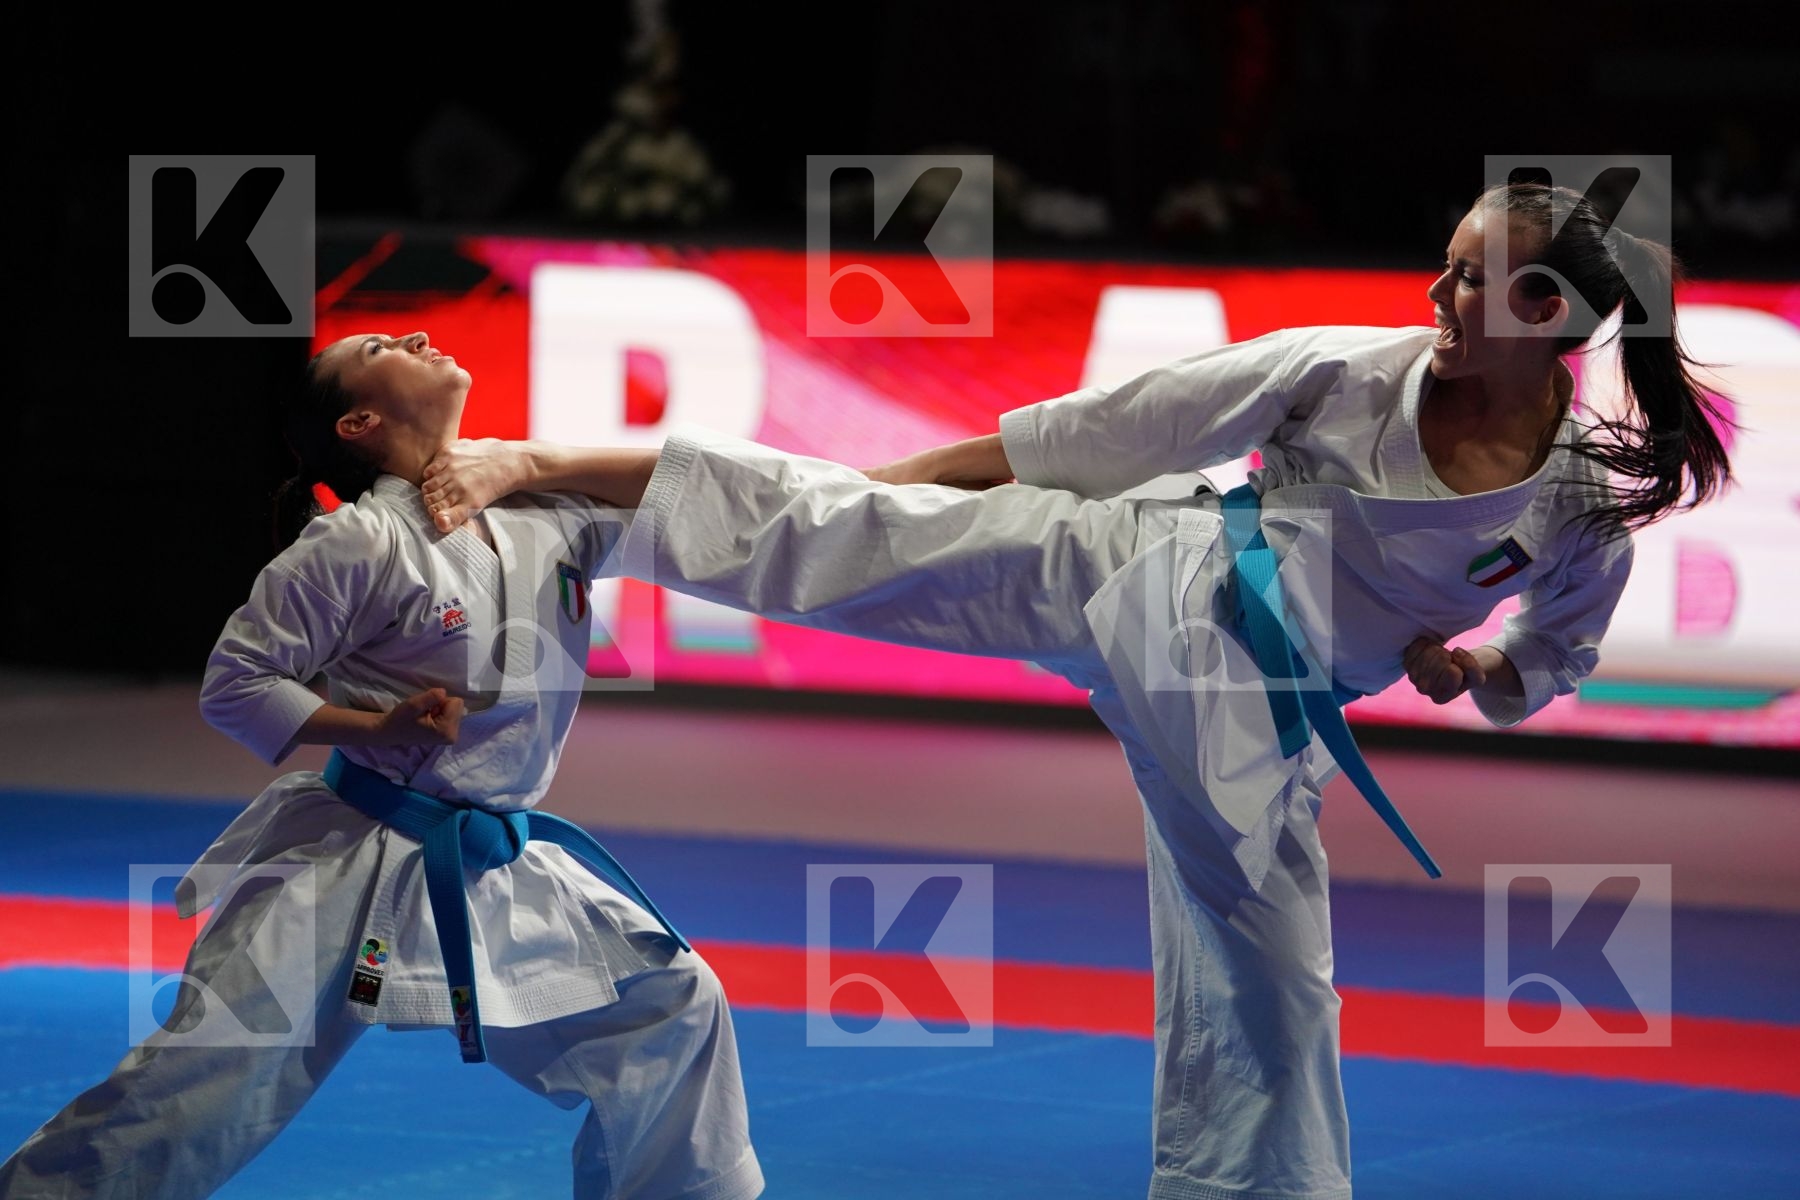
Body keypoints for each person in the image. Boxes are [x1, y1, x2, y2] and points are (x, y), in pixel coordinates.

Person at [404, 181, 1732, 1200]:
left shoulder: (1574, 514)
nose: (1435, 298)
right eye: (1443, 270)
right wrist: (904, 486)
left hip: (1261, 715)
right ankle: (556, 484)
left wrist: (1471, 666)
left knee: (1268, 974)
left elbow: (1545, 659)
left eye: (1471, 283)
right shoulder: (1344, 366)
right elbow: (1121, 432)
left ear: (1549, 317)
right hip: (1150, 567)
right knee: (841, 537)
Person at [0, 332, 765, 1200]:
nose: (414, 336)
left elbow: (683, 495)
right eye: (379, 345)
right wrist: (373, 723)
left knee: (673, 1007)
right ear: (359, 420)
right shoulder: (357, 542)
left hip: (494, 860)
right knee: (193, 1093)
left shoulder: (544, 511)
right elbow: (236, 684)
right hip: (350, 854)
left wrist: (526, 462)